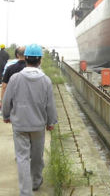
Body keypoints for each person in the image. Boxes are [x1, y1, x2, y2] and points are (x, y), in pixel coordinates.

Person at [2, 44, 57, 195]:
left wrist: (6, 115)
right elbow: (50, 104)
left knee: (22, 158)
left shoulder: (15, 78)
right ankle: (36, 182)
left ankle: (25, 192)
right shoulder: (45, 80)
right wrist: (51, 122)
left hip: (19, 125)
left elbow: (7, 100)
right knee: (37, 156)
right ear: (39, 60)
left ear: (25, 58)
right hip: (38, 125)